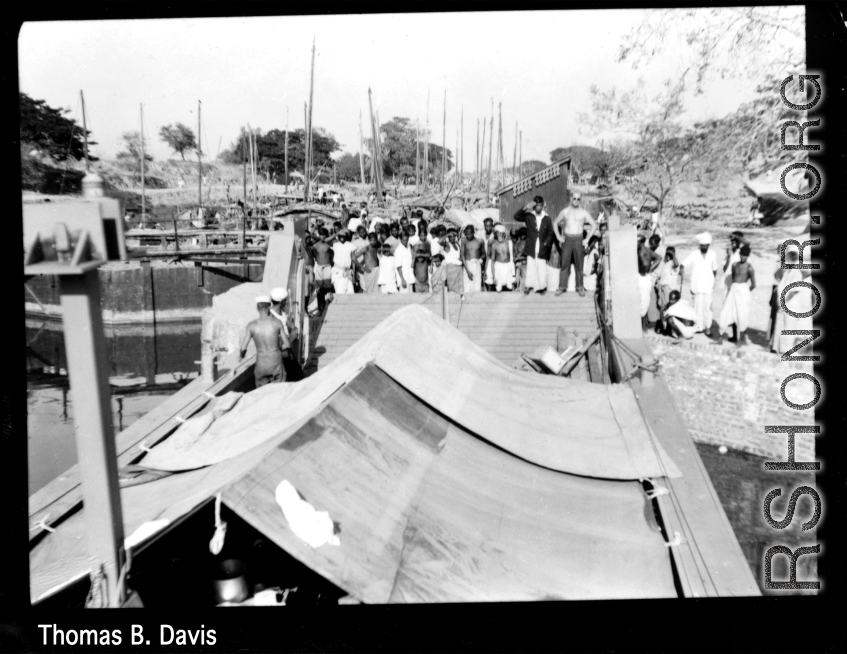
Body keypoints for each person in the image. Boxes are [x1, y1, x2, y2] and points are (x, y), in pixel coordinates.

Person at [239, 295, 291, 387]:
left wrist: (241, 356)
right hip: (276, 362)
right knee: (279, 392)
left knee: (261, 394)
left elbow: (243, 348)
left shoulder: (251, 325)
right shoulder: (277, 323)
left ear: (257, 308)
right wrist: (276, 347)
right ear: (269, 307)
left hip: (261, 364)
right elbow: (287, 345)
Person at [553, 191, 597, 297]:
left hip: (579, 239)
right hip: (567, 239)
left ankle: (580, 287)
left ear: (580, 200)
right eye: (574, 198)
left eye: (578, 199)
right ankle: (562, 287)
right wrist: (559, 236)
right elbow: (555, 223)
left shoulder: (584, 212)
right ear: (571, 199)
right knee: (565, 265)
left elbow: (594, 225)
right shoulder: (565, 212)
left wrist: (587, 239)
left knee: (579, 265)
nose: (576, 201)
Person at [513, 196, 555, 295]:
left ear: (543, 205)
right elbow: (516, 216)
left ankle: (541, 287)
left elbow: (550, 232)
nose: (539, 208)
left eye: (540, 205)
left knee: (541, 268)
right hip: (531, 246)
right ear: (534, 206)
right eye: (537, 206)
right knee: (531, 267)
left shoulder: (547, 218)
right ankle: (528, 286)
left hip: (542, 247)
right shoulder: (529, 216)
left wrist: (546, 243)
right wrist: (525, 207)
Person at [718, 244, 756, 346]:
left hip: (743, 291)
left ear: (748, 256)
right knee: (726, 312)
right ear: (739, 254)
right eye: (742, 255)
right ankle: (721, 336)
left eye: (745, 256)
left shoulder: (750, 267)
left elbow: (753, 284)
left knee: (742, 315)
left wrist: (745, 291)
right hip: (733, 289)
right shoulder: (734, 265)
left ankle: (741, 340)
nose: (743, 257)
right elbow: (734, 277)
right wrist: (736, 288)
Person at [682, 232, 718, 336]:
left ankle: (707, 328)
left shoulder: (712, 254)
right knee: (697, 306)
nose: (704, 247)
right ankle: (698, 327)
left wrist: (712, 281)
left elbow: (715, 269)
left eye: (706, 245)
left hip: (708, 285)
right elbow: (685, 263)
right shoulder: (694, 254)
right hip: (697, 285)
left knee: (707, 307)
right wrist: (681, 268)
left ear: (709, 245)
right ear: (700, 245)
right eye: (702, 245)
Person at [269, 287, 304, 381]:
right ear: (281, 302)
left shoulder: (282, 313)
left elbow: (289, 326)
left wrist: (292, 327)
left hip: (287, 351)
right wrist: (291, 336)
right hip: (280, 353)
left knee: (298, 376)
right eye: (285, 301)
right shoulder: (271, 317)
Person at [310, 227, 334, 311]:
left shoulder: (329, 244)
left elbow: (332, 254)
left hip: (327, 266)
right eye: (321, 235)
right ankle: (320, 307)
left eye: (324, 236)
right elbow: (313, 255)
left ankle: (328, 305)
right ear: (318, 236)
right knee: (319, 288)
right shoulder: (315, 245)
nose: (322, 237)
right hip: (318, 267)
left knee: (328, 286)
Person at [461, 224, 486, 293]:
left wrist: (480, 259)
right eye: (467, 234)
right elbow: (462, 255)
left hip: (476, 264)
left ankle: (476, 302)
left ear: (473, 232)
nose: (468, 236)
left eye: (470, 234)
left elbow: (484, 254)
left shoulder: (480, 241)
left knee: (477, 285)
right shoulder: (463, 241)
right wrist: (467, 271)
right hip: (467, 264)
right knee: (467, 287)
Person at [656, 246, 683, 311]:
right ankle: (664, 319)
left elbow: (676, 264)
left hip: (670, 287)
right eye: (667, 254)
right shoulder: (665, 263)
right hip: (664, 286)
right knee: (663, 304)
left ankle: (667, 319)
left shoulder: (672, 262)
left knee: (669, 304)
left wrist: (672, 254)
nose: (668, 256)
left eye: (670, 254)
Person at [490, 224, 515, 292]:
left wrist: (513, 272)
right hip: (499, 267)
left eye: (501, 233)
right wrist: (493, 274)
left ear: (504, 234)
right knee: (498, 289)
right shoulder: (494, 245)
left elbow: (512, 258)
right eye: (498, 233)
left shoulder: (509, 243)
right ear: (495, 234)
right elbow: (492, 260)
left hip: (507, 266)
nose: (499, 235)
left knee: (509, 287)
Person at [442, 227, 465, 293]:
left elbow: (458, 255)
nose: (452, 238)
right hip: (451, 268)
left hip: (459, 268)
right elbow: (439, 241)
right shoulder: (447, 244)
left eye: (453, 236)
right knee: (452, 288)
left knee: (460, 288)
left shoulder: (457, 244)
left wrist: (460, 258)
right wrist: (447, 234)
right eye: (450, 236)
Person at [513, 226, 528, 293]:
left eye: (524, 234)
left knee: (525, 281)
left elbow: (529, 256)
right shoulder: (516, 244)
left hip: (526, 266)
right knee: (518, 281)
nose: (522, 236)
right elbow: (515, 256)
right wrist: (517, 259)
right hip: (518, 265)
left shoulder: (528, 244)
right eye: (521, 234)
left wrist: (521, 258)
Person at [482, 218, 496, 290]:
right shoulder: (481, 235)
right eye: (486, 226)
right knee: (485, 281)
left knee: (492, 281)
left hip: (492, 259)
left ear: (492, 226)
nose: (488, 228)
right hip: (483, 259)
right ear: (484, 226)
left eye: (489, 226)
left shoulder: (494, 236)